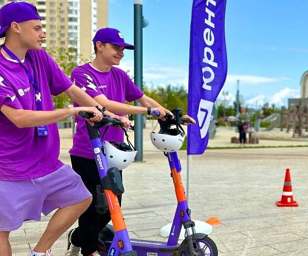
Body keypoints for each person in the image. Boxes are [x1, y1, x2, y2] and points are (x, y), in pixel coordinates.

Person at [65, 27, 191, 256]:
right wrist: (149, 111)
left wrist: (168, 113)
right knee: (94, 206)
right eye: (116, 48)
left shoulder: (120, 75)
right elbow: (105, 104)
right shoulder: (81, 73)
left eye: (123, 49)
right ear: (99, 45)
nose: (121, 53)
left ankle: (78, 237)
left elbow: (142, 97)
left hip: (114, 152)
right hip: (87, 151)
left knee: (112, 207)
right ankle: (89, 250)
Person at [0, 3, 105, 256]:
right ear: (15, 28)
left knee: (82, 197)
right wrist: (71, 112)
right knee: (2, 231)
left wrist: (103, 110)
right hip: (8, 167)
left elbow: (70, 89)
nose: (42, 34)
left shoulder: (39, 56)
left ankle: (39, 252)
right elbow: (19, 118)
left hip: (46, 162)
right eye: (37, 28)